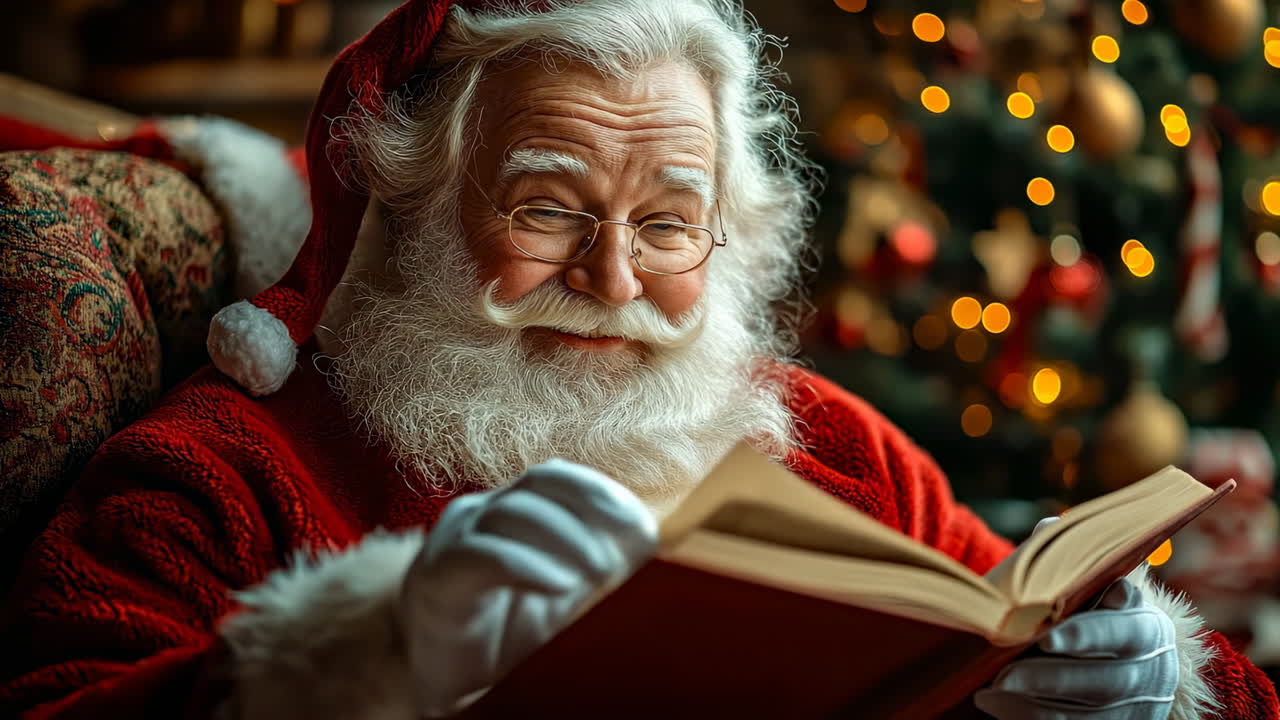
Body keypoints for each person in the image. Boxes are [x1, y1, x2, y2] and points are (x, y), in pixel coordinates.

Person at [1, 1, 1275, 717]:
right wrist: (356, 656)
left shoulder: (832, 447)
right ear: (414, 213)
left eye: (666, 223)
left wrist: (1159, 687)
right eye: (548, 209)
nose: (612, 284)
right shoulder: (222, 474)